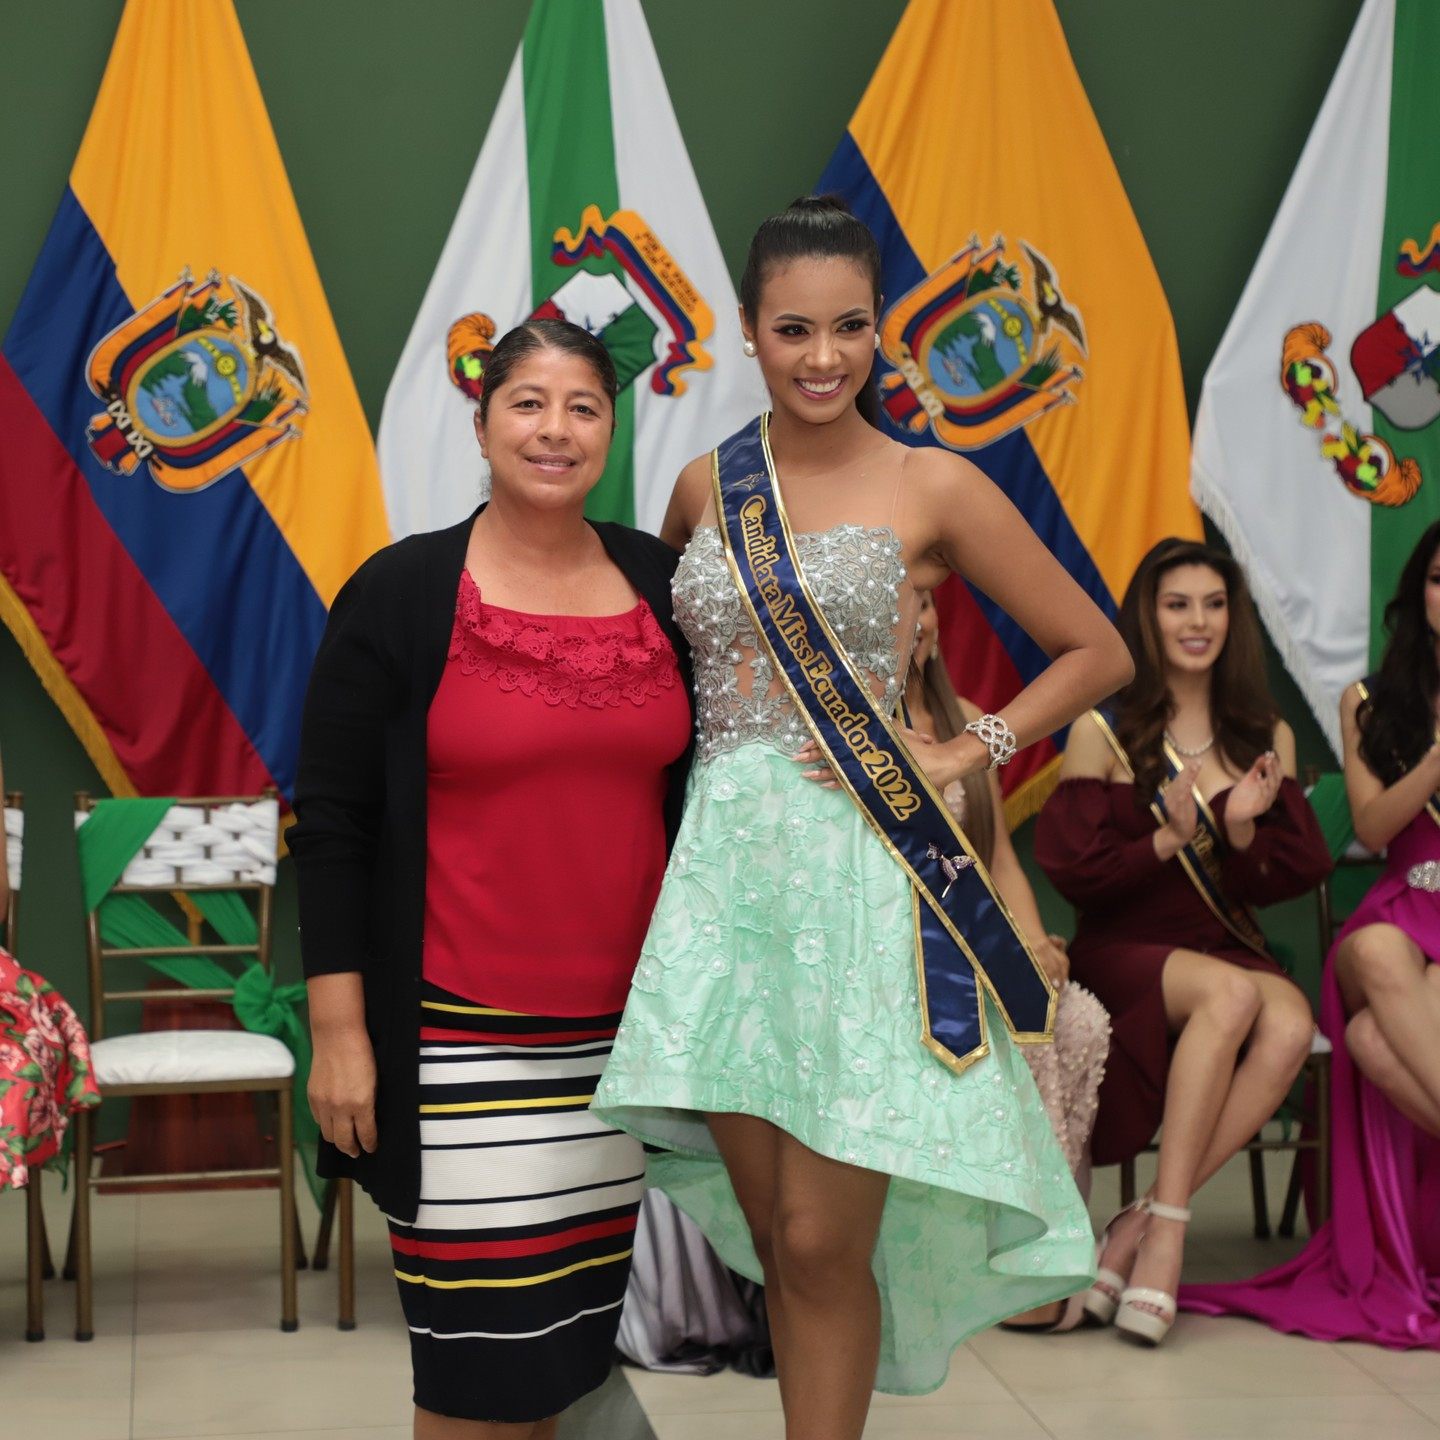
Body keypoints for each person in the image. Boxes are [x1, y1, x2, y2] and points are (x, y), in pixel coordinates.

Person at [592, 195, 1133, 1440]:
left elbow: (1094, 649)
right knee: (779, 1243)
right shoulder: (700, 488)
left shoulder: (932, 481)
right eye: (794, 329)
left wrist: (958, 748)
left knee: (823, 1237)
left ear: (881, 331)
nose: (823, 356)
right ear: (748, 332)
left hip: (866, 886)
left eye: (849, 327)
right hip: (726, 897)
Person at [289, 319, 694, 1440]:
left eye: (582, 407)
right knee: (478, 1383)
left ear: (611, 431)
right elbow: (331, 825)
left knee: (559, 1366)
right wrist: (341, 1031)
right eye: (528, 403)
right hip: (463, 1049)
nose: (554, 429)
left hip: (619, 1056)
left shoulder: (663, 586)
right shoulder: (402, 592)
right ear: (481, 423)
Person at [1034, 537, 1332, 1346]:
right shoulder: (1105, 728)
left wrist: (1238, 834)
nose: (1197, 621)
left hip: (1221, 944)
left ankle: (1138, 1224)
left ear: (1232, 620)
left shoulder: (1263, 733)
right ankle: (1166, 1238)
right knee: (1238, 997)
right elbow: (1075, 872)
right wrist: (1165, 843)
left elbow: (1286, 878)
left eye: (1213, 604)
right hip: (1128, 951)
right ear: (1148, 617)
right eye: (1177, 604)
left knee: (1288, 1019)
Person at [1182, 519, 1440, 1345]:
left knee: (1369, 1039)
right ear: (1419, 595)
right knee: (1367, 951)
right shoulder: (1370, 701)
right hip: (1406, 900)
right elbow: (1371, 821)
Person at [905, 591, 1111, 1331]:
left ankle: (1040, 1242)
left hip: (979, 938)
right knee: (1016, 1034)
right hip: (903, 951)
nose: (918, 619)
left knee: (1077, 1018)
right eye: (903, 601)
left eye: (926, 603)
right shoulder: (853, 725)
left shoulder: (962, 715)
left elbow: (998, 857)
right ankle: (1019, 1264)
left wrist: (1033, 940)